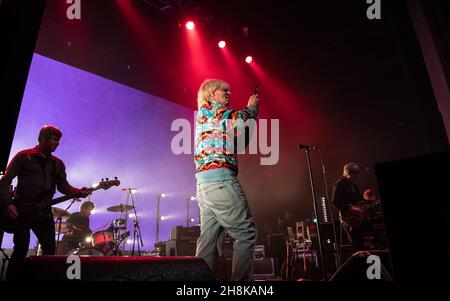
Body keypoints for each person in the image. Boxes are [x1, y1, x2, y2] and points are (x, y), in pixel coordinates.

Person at [0, 125, 91, 280]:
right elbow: (5, 181)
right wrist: (9, 204)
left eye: (58, 140)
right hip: (22, 209)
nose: (57, 143)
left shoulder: (57, 164)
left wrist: (77, 191)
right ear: (42, 138)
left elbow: (64, 186)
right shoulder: (24, 156)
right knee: (21, 249)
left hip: (43, 212)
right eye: (54, 139)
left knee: (49, 250)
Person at [194, 79, 259, 281]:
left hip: (204, 186)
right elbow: (240, 117)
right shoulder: (215, 111)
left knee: (208, 243)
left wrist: (251, 118)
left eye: (230, 90)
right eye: (224, 90)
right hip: (221, 181)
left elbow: (239, 142)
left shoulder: (208, 118)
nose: (229, 92)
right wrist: (252, 108)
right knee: (246, 234)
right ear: (211, 94)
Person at [331, 162, 367, 251]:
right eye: (353, 175)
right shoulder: (339, 184)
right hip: (348, 218)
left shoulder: (354, 185)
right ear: (347, 174)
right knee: (356, 243)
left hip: (358, 218)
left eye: (356, 175)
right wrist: (350, 208)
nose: (355, 177)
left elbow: (359, 200)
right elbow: (335, 201)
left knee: (361, 242)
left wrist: (365, 203)